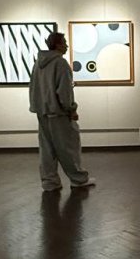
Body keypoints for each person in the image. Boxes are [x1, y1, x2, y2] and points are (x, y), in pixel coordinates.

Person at [28, 32, 95, 192]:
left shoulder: (38, 64)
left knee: (47, 149)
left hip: (42, 113)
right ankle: (78, 179)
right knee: (68, 148)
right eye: (64, 42)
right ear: (58, 45)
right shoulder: (61, 63)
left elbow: (33, 88)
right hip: (59, 113)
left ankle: (49, 182)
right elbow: (64, 92)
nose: (67, 46)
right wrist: (71, 109)